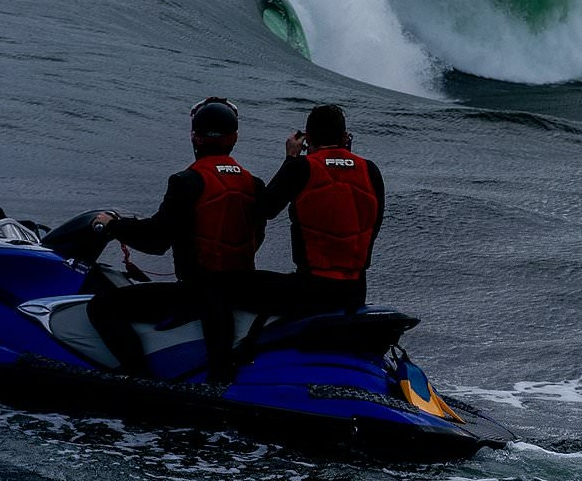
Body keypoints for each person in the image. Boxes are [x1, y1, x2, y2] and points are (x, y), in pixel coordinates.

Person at [87, 96, 265, 385]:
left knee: (101, 308)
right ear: (235, 138)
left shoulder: (187, 182)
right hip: (238, 291)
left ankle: (138, 380)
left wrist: (114, 226)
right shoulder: (253, 184)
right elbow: (257, 237)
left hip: (197, 294)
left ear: (195, 136)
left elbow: (155, 241)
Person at [256, 103, 385, 314]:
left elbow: (266, 208)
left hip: (311, 289)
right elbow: (374, 224)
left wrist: (290, 159)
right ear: (345, 137)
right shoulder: (370, 170)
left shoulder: (301, 167)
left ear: (307, 139)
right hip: (355, 291)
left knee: (233, 284)